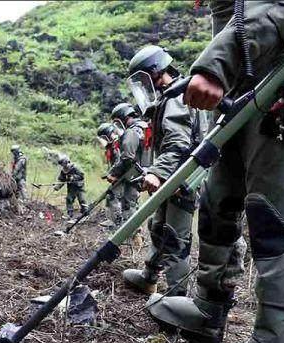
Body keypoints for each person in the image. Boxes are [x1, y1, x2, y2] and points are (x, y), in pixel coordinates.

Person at [147, 2, 284, 343]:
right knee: (217, 204)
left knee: (275, 219)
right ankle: (208, 309)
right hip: (242, 89)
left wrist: (220, 64)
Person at [122, 46, 230, 297]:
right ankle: (149, 277)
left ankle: (176, 296)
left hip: (183, 177)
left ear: (155, 73)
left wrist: (156, 172)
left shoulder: (175, 98)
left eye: (143, 80)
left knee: (175, 236)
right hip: (174, 174)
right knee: (159, 226)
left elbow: (179, 144)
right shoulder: (170, 97)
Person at [105, 103, 149, 246]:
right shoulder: (145, 128)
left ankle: (134, 240)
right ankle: (134, 237)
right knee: (133, 204)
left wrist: (114, 173)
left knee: (128, 205)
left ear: (123, 118)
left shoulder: (131, 132)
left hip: (134, 173)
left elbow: (127, 157)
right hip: (145, 171)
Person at [96, 122, 123, 229]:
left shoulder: (117, 144)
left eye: (104, 136)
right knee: (111, 196)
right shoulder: (111, 146)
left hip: (122, 176)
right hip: (117, 175)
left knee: (114, 197)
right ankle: (113, 220)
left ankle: (117, 221)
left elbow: (119, 162)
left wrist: (112, 173)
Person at [54, 155, 88, 223]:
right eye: (62, 165)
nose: (64, 166)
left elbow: (82, 175)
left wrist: (73, 177)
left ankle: (85, 214)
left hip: (79, 187)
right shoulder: (63, 171)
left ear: (67, 162)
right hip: (71, 187)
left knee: (82, 200)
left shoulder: (75, 167)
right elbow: (62, 180)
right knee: (69, 199)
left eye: (64, 164)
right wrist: (57, 186)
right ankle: (70, 214)